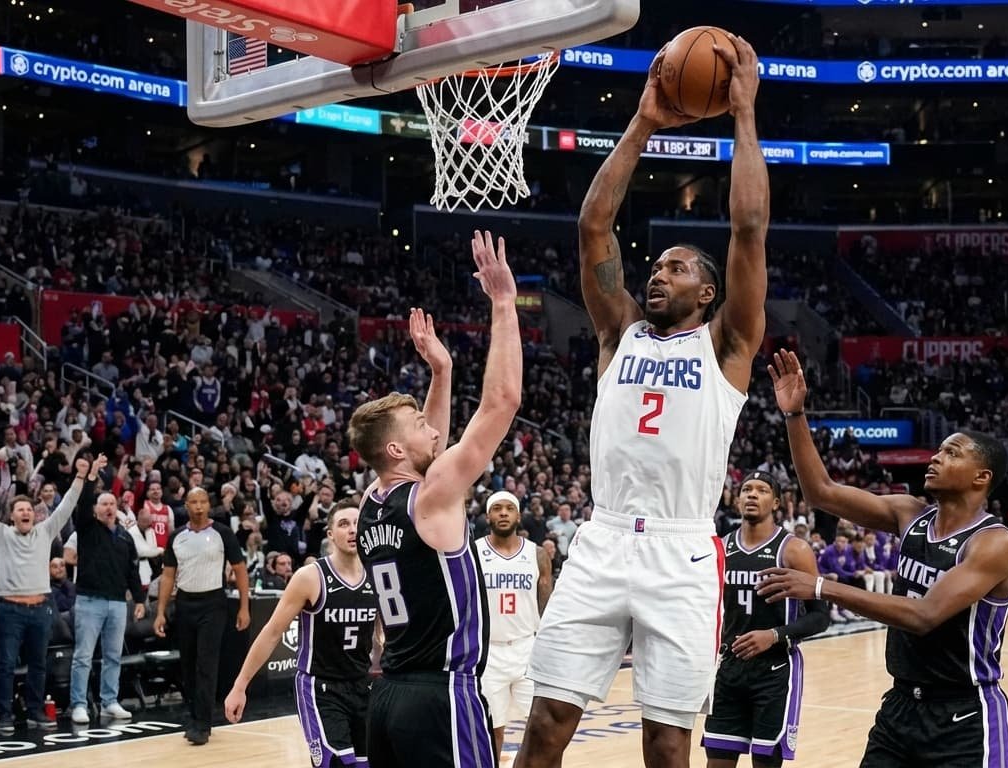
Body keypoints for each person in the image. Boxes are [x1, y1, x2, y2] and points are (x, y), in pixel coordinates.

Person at [517, 35, 768, 768]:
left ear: (709, 293)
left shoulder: (727, 347)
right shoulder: (618, 330)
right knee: (544, 727)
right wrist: (644, 123)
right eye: (656, 266)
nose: (659, 275)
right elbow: (594, 226)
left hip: (680, 549)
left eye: (678, 269)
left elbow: (748, 228)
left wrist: (744, 115)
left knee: (665, 744)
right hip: (599, 544)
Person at [756, 350, 1008, 767]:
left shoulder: (993, 543)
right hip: (900, 707)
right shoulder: (910, 513)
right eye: (938, 451)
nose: (935, 457)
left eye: (952, 454)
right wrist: (795, 416)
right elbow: (821, 492)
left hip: (964, 716)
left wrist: (822, 586)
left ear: (981, 477)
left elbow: (924, 615)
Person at [349, 234, 521, 768]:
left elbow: (431, 449)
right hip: (442, 693)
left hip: (391, 696)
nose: (432, 429)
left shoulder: (370, 503)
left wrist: (441, 373)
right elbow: (502, 401)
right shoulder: (430, 496)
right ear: (396, 448)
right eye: (418, 425)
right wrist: (502, 303)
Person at [225, 502, 377, 768]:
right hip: (320, 688)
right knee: (338, 764)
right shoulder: (310, 577)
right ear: (330, 534)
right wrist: (240, 686)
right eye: (343, 524)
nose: (353, 530)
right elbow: (272, 633)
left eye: (357, 523)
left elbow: (383, 635)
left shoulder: (376, 574)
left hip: (362, 685)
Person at [701, 471, 828, 767]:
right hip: (730, 668)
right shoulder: (721, 547)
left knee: (765, 762)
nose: (752, 494)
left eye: (761, 490)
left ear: (776, 502)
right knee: (717, 761)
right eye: (746, 489)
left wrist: (773, 635)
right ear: (736, 499)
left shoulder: (794, 550)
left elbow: (821, 617)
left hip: (774, 670)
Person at [0, 454, 94, 734]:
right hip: (10, 609)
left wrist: (80, 477)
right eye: (20, 510)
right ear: (12, 515)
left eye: (28, 509)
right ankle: (4, 714)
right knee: (7, 664)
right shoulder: (0, 534)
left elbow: (67, 505)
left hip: (40, 608)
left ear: (34, 514)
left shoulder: (46, 531)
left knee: (38, 664)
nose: (25, 513)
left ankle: (36, 710)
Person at [152, 487, 251, 745]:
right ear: (186, 505)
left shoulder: (222, 533)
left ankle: (203, 724)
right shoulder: (176, 536)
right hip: (185, 603)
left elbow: (240, 570)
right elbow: (168, 576)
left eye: (203, 501)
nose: (198, 507)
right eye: (193, 502)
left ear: (209, 504)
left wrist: (244, 607)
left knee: (206, 664)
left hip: (213, 603)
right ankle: (194, 716)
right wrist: (160, 612)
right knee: (188, 665)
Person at [68, 457, 148, 724]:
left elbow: (132, 571)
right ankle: (78, 703)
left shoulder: (125, 537)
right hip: (89, 600)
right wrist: (91, 475)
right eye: (104, 504)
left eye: (112, 503)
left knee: (113, 655)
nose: (109, 507)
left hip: (117, 603)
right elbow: (82, 503)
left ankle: (109, 702)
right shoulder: (87, 529)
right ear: (96, 509)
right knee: (84, 656)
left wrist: (139, 599)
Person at [477, 491, 553, 760]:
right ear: (488, 516)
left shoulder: (538, 554)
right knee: (491, 730)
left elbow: (546, 606)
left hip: (526, 649)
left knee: (542, 726)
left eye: (509, 508)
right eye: (497, 508)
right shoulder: (474, 552)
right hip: (488, 652)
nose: (503, 513)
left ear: (519, 515)